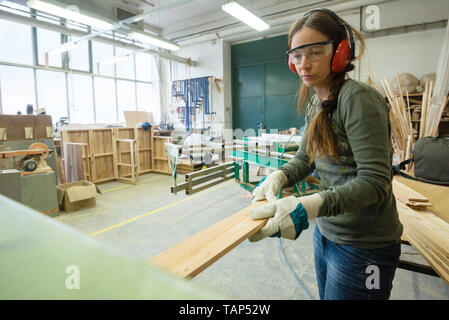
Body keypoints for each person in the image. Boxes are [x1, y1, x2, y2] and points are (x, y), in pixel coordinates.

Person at [249, 8, 403, 300]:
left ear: (340, 52)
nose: (303, 63)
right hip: (328, 233)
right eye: (296, 55)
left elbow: (374, 181)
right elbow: (305, 158)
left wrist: (306, 206)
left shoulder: (357, 99)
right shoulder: (317, 103)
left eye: (315, 53)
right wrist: (278, 178)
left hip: (365, 247)